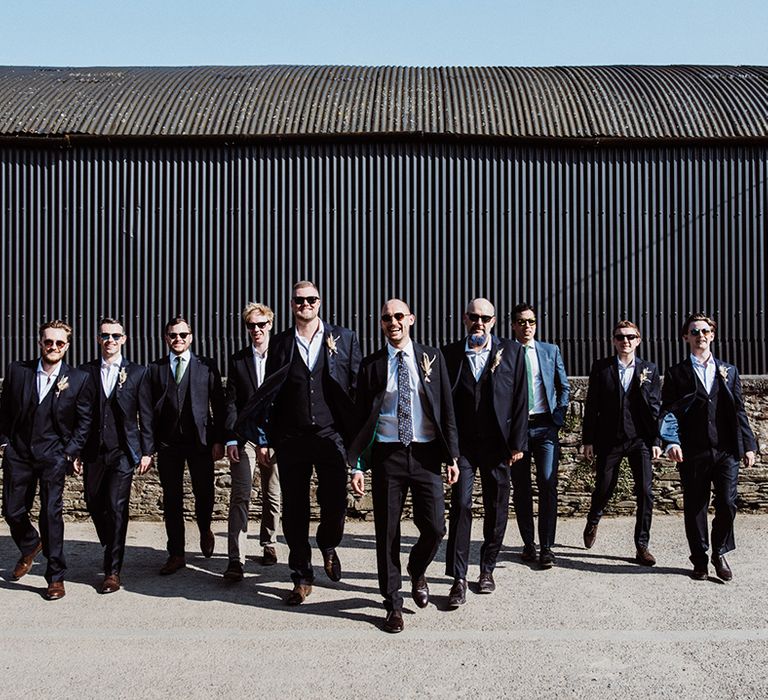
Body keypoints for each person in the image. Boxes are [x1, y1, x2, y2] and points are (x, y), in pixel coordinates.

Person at [236, 281, 361, 605]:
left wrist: (358, 446)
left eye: (311, 299)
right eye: (299, 300)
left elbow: (356, 390)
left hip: (330, 433)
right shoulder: (279, 344)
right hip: (291, 437)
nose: (305, 304)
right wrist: (264, 438)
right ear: (291, 305)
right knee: (294, 511)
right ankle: (301, 576)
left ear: (319, 303)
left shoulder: (343, 339)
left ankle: (328, 542)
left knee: (334, 502)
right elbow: (269, 394)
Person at [350, 298, 459, 633]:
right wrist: (356, 464)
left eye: (398, 316)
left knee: (436, 527)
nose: (393, 322)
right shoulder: (371, 365)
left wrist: (452, 455)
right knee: (387, 532)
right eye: (386, 318)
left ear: (410, 319)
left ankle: (417, 568)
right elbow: (358, 419)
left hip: (426, 454)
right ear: (381, 323)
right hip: (388, 455)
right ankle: (392, 603)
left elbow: (447, 409)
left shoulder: (432, 357)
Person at [441, 298, 527, 606]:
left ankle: (487, 569)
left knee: (496, 507)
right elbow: (442, 403)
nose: (479, 323)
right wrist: (446, 447)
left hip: (497, 445)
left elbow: (520, 398)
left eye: (485, 318)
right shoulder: (449, 354)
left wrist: (517, 443)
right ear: (465, 319)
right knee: (461, 505)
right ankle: (458, 578)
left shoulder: (512, 352)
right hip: (463, 445)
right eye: (474, 317)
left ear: (493, 321)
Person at [0, 320, 94, 600]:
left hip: (54, 454)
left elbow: (84, 420)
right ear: (40, 342)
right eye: (48, 342)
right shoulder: (18, 371)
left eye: (59, 343)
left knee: (50, 515)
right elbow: (4, 409)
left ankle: (55, 577)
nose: (53, 347)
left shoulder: (78, 378)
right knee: (13, 511)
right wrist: (4, 442)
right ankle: (30, 544)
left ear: (67, 345)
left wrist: (71, 451)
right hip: (19, 452)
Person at [660, 312, 757, 581]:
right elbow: (668, 411)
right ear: (685, 337)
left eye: (705, 331)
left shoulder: (729, 371)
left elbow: (739, 410)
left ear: (712, 335)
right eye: (694, 332)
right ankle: (700, 559)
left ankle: (720, 552)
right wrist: (670, 442)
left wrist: (748, 445)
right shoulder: (676, 373)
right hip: (693, 451)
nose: (700, 336)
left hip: (726, 450)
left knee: (727, 502)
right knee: (695, 506)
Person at [77, 318, 155, 593]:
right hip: (93, 450)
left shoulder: (137, 372)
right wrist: (74, 449)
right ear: (98, 339)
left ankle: (112, 571)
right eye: (105, 335)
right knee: (92, 501)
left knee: (116, 505)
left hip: (123, 450)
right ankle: (111, 541)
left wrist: (147, 450)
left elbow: (145, 413)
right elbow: (78, 414)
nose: (110, 340)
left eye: (115, 335)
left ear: (124, 339)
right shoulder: (85, 372)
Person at [147, 316, 226, 575]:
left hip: (200, 442)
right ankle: (176, 553)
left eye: (183, 335)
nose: (178, 339)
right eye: (173, 335)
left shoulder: (206, 366)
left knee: (204, 493)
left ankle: (204, 527)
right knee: (172, 499)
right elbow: (147, 410)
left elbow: (219, 405)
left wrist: (218, 439)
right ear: (166, 338)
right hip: (168, 443)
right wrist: (150, 446)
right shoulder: (155, 369)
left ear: (190, 337)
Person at [581, 320, 661, 565]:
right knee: (604, 488)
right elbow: (592, 405)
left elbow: (656, 407)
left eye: (630, 337)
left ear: (638, 340)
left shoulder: (649, 369)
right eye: (619, 337)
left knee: (646, 492)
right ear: (613, 341)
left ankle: (642, 545)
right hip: (609, 439)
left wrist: (657, 439)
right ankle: (594, 519)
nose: (625, 341)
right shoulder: (601, 368)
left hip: (640, 440)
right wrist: (588, 440)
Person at [222, 302, 281, 581]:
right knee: (241, 494)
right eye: (251, 325)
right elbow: (230, 402)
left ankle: (269, 542)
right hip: (244, 434)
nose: (256, 330)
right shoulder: (238, 360)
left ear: (270, 324)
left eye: (261, 324)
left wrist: (273, 439)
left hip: (274, 435)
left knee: (272, 492)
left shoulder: (282, 356)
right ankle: (236, 559)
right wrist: (231, 437)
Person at [510, 302, 570, 569]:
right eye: (522, 322)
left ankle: (547, 547)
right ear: (513, 325)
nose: (527, 327)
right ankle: (528, 544)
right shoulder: (507, 352)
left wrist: (558, 417)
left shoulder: (550, 351)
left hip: (546, 427)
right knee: (521, 488)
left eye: (531, 321)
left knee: (548, 484)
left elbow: (563, 387)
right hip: (517, 430)